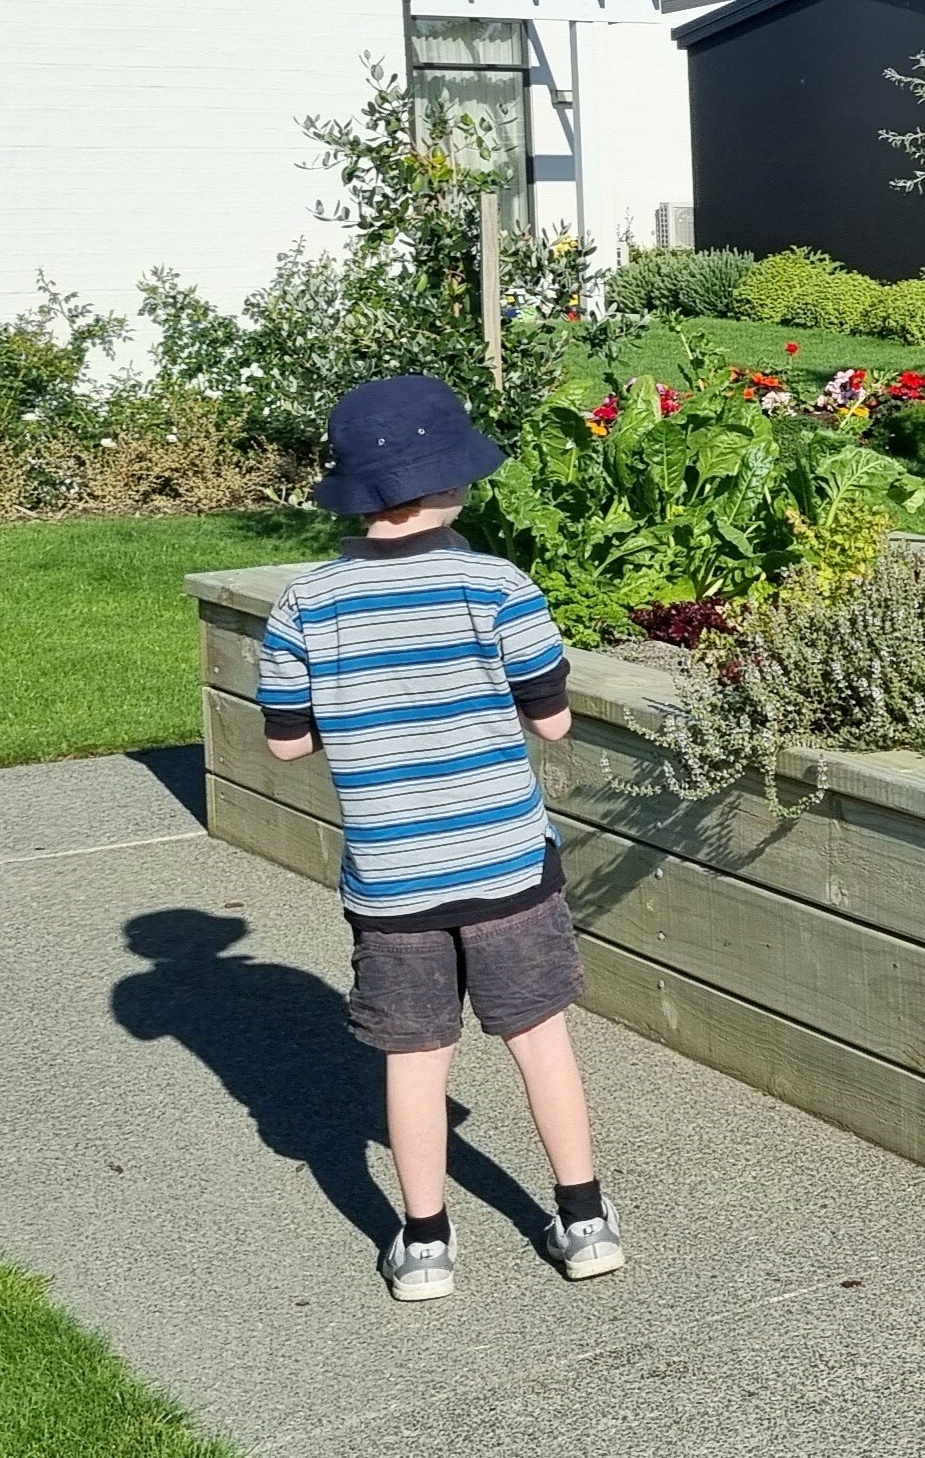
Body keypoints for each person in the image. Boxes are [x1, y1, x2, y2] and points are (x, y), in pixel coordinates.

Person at [258, 376, 625, 1301]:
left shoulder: (305, 606)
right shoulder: (495, 584)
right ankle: (582, 1222)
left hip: (391, 878)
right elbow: (551, 726)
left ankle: (424, 1244)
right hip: (505, 863)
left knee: (414, 1058)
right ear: (453, 482)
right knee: (541, 1038)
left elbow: (288, 742)